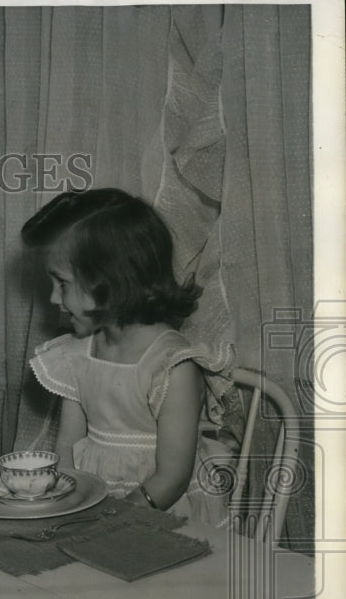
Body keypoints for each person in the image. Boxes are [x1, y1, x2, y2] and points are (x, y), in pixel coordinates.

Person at [23, 188, 233, 527]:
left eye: (62, 283)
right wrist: (61, 505)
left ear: (111, 281)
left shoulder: (171, 366)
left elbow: (172, 477)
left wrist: (114, 519)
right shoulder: (77, 355)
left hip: (161, 513)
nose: (52, 297)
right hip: (94, 505)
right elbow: (66, 450)